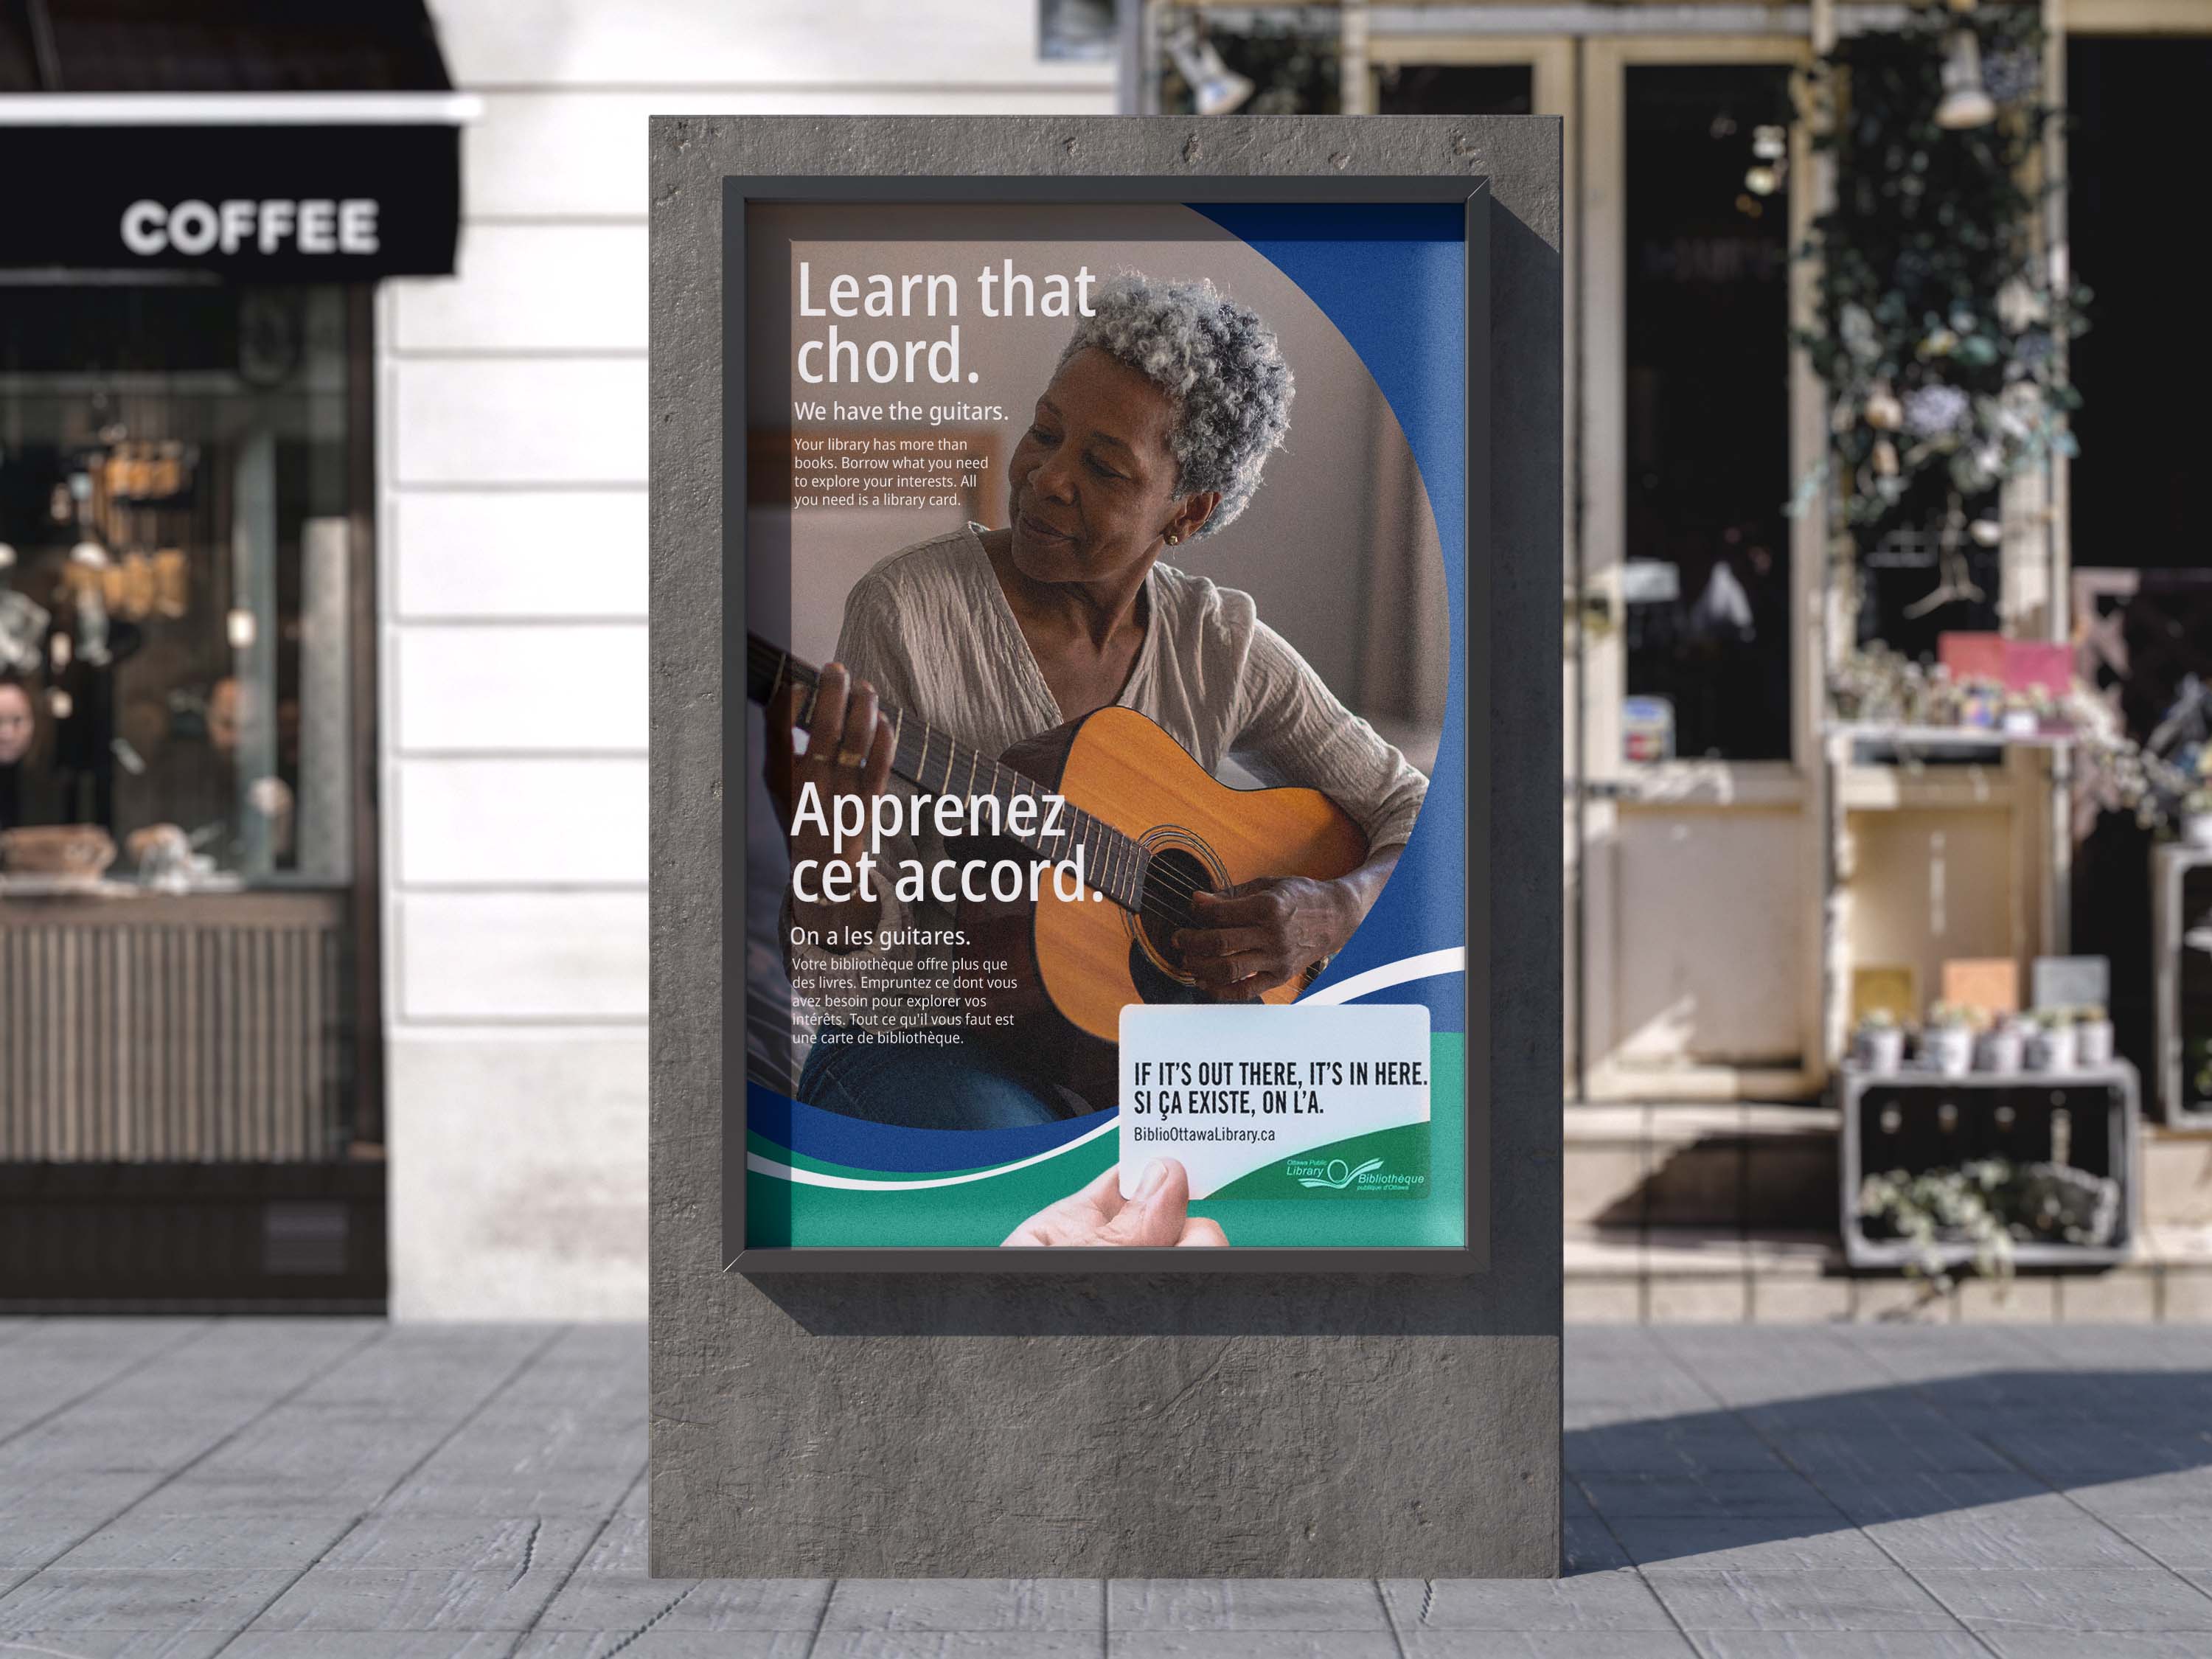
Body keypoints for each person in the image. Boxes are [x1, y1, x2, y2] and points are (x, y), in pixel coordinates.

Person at [768, 274, 1428, 1133]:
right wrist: (830, 856)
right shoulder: (907, 609)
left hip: (1134, 1059)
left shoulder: (1215, 643)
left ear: (1187, 513)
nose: (1047, 478)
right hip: (921, 1044)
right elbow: (843, 981)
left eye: (1106, 468)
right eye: (1045, 432)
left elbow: (1417, 809)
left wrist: (1330, 911)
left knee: (1377, 1127)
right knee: (1004, 1148)